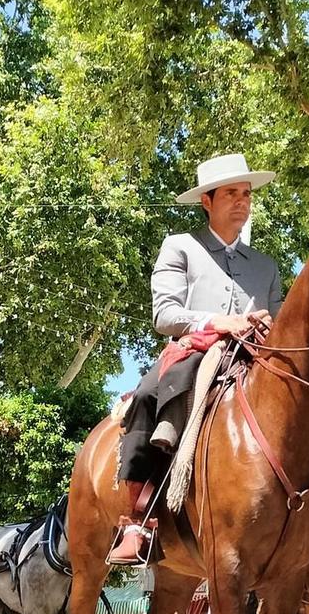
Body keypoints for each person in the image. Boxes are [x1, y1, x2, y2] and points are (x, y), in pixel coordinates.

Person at [108, 153, 283, 566]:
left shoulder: (266, 265)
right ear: (207, 200)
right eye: (231, 194)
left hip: (256, 358)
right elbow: (164, 314)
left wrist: (267, 325)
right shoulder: (181, 246)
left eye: (246, 194)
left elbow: (277, 319)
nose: (242, 201)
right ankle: (137, 518)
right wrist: (219, 321)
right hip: (196, 350)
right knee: (150, 395)